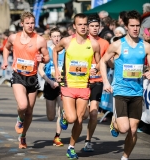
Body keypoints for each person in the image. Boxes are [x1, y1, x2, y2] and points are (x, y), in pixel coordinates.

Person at [100, 10, 150, 160]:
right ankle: (115, 122)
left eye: (138, 25)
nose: (136, 28)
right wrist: (106, 81)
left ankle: (125, 157)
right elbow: (102, 61)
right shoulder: (117, 45)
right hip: (120, 91)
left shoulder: (146, 46)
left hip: (137, 92)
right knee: (124, 128)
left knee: (133, 130)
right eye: (132, 25)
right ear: (126, 26)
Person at [53, 13, 100, 159]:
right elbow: (55, 50)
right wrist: (56, 70)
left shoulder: (93, 44)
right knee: (72, 118)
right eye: (80, 24)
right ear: (74, 26)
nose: (84, 27)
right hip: (68, 85)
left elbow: (99, 62)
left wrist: (96, 68)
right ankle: (64, 116)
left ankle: (71, 147)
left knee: (80, 119)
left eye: (85, 24)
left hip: (84, 86)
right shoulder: (67, 41)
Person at [1, 12, 49, 149]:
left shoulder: (40, 40)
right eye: (27, 23)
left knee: (29, 111)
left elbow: (47, 57)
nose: (30, 25)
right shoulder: (13, 38)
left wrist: (43, 59)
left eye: (32, 23)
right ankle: (19, 119)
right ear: (22, 24)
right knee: (23, 106)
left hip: (32, 77)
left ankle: (23, 136)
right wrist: (5, 61)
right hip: (18, 75)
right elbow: (6, 48)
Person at [83, 16, 109, 152]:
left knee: (93, 113)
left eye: (96, 26)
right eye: (92, 26)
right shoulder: (81, 41)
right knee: (83, 114)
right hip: (82, 81)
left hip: (97, 81)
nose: (94, 28)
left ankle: (88, 141)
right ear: (87, 27)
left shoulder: (104, 43)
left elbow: (108, 60)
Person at [38, 28, 65, 147]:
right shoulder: (47, 52)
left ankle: (57, 137)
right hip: (50, 84)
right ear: (50, 38)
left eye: (58, 36)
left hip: (62, 85)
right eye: (54, 36)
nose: (57, 38)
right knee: (50, 116)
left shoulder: (66, 51)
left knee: (61, 112)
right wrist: (49, 81)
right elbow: (40, 69)